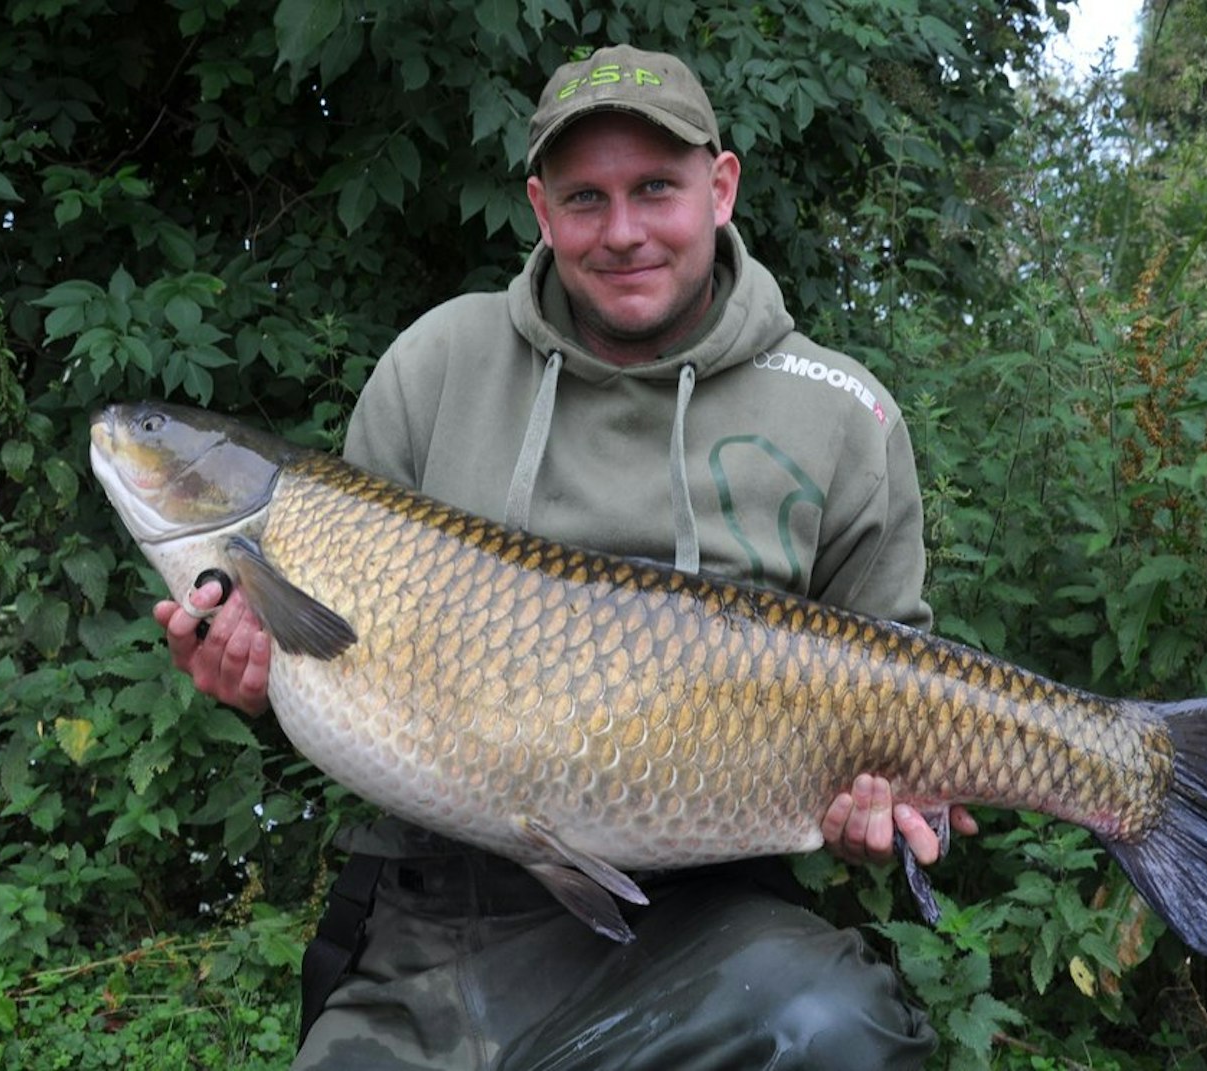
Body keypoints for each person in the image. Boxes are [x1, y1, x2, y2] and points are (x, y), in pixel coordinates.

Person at [154, 44, 975, 1070]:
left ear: (720, 189)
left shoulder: (840, 413)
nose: (623, 231)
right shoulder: (436, 366)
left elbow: (903, 678)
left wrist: (889, 811)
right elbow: (345, 697)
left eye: (656, 190)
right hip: (438, 907)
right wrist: (255, 690)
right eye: (586, 198)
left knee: (834, 1030)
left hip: (713, 918)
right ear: (540, 211)